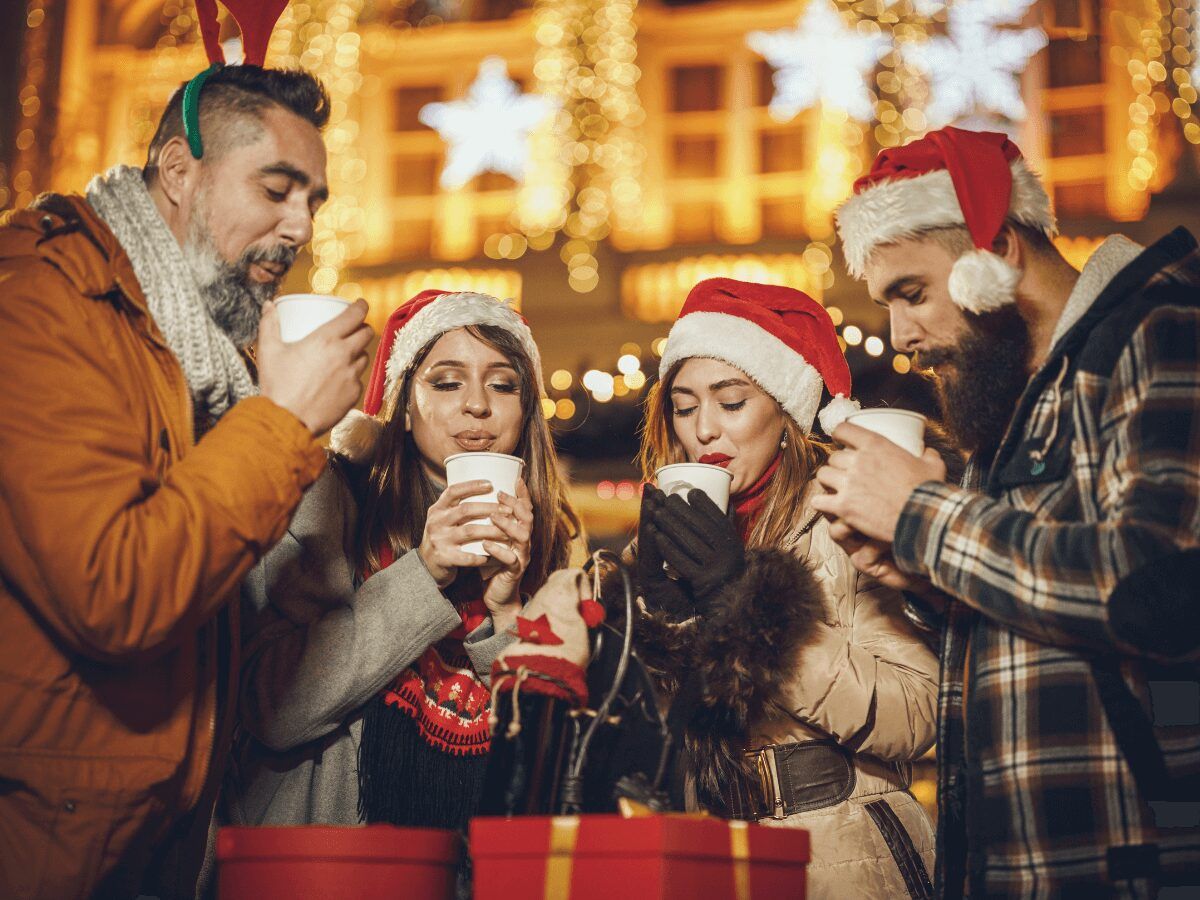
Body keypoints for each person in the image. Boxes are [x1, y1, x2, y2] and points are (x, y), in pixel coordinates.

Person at [0, 62, 373, 898]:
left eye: (313, 201)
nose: (301, 225)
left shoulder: (190, 350)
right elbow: (118, 591)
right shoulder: (40, 307)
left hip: (142, 841)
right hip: (42, 844)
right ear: (179, 170)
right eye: (277, 188)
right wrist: (282, 424)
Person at [817, 125, 1200, 896]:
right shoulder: (1013, 393)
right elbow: (1038, 617)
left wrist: (922, 515)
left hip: (1133, 865)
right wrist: (918, 572)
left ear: (999, 248)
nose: (901, 336)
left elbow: (1159, 590)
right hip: (1021, 869)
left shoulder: (1162, 328)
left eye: (913, 294)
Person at [224, 289, 582, 833]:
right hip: (331, 874)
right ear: (405, 410)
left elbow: (547, 771)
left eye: (503, 384)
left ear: (525, 411)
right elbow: (274, 709)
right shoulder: (330, 501)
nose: (478, 405)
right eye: (446, 382)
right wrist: (424, 572)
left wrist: (506, 612)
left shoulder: (550, 550)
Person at [633, 277, 940, 899]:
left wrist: (741, 600)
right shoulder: (664, 548)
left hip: (844, 847)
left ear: (785, 410)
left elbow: (919, 714)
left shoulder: (844, 517)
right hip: (712, 853)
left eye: (731, 401)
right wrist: (662, 628)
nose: (704, 430)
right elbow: (662, 749)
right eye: (685, 407)